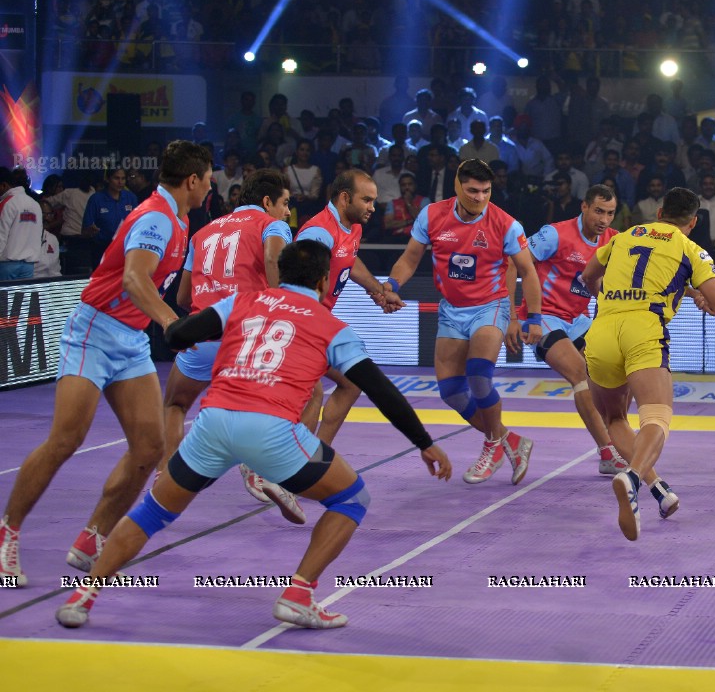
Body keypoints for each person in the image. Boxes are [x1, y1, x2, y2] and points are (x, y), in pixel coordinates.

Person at [54, 240, 452, 629]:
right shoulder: (332, 326)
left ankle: (82, 598)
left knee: (152, 513)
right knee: (351, 498)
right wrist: (424, 442)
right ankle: (298, 595)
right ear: (324, 282)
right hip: (272, 433)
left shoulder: (242, 301)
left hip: (212, 424)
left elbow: (177, 335)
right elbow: (380, 389)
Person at [0, 141, 212, 587]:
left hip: (131, 338)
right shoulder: (155, 215)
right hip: (95, 330)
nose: (210, 185)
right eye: (208, 178)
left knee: (150, 446)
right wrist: (174, 326)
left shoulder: (180, 217)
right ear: (193, 180)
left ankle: (92, 538)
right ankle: (7, 536)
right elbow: (135, 279)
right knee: (66, 438)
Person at [580, 187, 715, 541]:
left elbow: (588, 276)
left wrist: (610, 294)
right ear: (692, 222)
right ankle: (631, 478)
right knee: (657, 416)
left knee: (614, 418)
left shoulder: (626, 235)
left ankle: (657, 489)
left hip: (602, 330)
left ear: (659, 212)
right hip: (643, 332)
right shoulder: (691, 249)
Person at [387, 159, 541, 485]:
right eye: (472, 191)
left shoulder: (506, 224)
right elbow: (410, 258)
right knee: (452, 392)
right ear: (457, 185)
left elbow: (527, 271)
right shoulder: (431, 215)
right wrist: (392, 286)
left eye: (486, 191)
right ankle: (511, 441)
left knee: (478, 377)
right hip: (452, 309)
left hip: (491, 306)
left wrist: (534, 318)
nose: (480, 198)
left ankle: (493, 445)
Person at [162, 170, 299, 520]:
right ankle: (257, 466)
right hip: (245, 337)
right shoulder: (272, 225)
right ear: (268, 202)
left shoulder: (203, 231)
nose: (287, 212)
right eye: (284, 203)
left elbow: (182, 294)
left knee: (175, 404)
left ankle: (167, 476)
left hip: (202, 334)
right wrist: (282, 304)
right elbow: (273, 258)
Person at [504, 185, 634, 476]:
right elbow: (514, 265)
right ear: (584, 207)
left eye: (610, 213)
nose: (604, 219)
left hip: (578, 318)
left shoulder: (614, 242)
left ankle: (617, 434)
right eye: (598, 211)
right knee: (581, 377)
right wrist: (513, 316)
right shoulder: (554, 234)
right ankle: (607, 453)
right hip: (544, 317)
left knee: (621, 373)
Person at [294, 170, 403, 445]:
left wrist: (379, 291)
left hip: (317, 323)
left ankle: (318, 455)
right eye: (366, 200)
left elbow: (349, 261)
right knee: (311, 394)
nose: (372, 207)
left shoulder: (353, 227)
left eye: (374, 200)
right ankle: (295, 466)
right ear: (344, 198)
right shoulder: (318, 233)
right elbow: (299, 289)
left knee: (352, 382)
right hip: (301, 324)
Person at [0, 167, 43, 280]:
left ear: (3, 185)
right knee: (21, 298)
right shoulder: (35, 204)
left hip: (7, 265)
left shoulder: (6, 203)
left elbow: (1, 235)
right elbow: (39, 234)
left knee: (4, 298)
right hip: (29, 265)